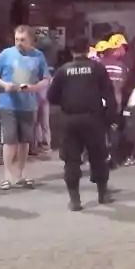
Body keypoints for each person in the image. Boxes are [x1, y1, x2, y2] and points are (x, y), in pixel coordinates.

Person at [47, 36, 120, 211]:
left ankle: (75, 200)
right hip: (93, 119)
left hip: (70, 120)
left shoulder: (63, 71)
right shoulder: (97, 69)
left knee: (71, 160)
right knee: (98, 157)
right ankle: (102, 194)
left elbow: (51, 97)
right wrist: (110, 118)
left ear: (71, 51)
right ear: (88, 49)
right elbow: (109, 95)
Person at [0, 25, 50, 190]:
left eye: (23, 40)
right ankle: (7, 176)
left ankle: (21, 173)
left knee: (25, 141)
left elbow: (46, 79)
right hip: (8, 102)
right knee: (9, 140)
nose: (19, 43)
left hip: (28, 104)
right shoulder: (6, 54)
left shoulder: (38, 56)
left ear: (31, 40)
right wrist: (4, 85)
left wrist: (34, 88)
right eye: (16, 39)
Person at [98, 36, 132, 167]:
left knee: (100, 131)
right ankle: (113, 158)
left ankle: (100, 157)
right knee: (114, 130)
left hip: (99, 103)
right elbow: (125, 84)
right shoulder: (121, 66)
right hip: (115, 103)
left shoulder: (99, 65)